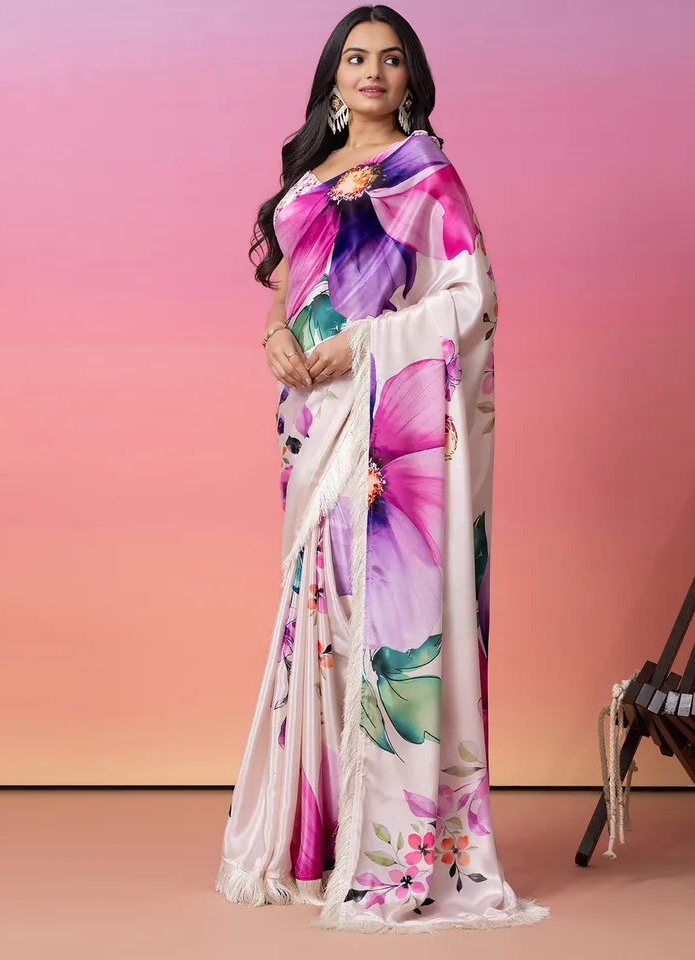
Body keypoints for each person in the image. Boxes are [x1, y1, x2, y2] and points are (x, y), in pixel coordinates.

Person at [215, 5, 549, 932]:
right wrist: (274, 335)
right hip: (311, 416)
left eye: (390, 59)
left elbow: (472, 301)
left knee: (380, 607)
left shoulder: (426, 176)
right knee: (319, 608)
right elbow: (288, 283)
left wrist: (363, 345)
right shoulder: (310, 178)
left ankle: (391, 839)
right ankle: (320, 833)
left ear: (411, 79)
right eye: (356, 57)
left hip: (381, 421)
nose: (372, 71)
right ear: (333, 76)